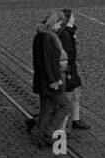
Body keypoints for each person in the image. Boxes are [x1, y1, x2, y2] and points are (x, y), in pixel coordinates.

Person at [29, 11, 71, 147]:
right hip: (51, 81)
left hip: (42, 80)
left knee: (47, 108)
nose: (59, 27)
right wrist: (54, 81)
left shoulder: (39, 36)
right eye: (59, 24)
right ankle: (48, 131)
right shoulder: (48, 38)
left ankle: (40, 135)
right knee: (65, 105)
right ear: (53, 22)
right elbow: (49, 62)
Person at [57, 8, 89, 130]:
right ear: (68, 19)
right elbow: (66, 54)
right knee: (68, 98)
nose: (75, 18)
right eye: (73, 17)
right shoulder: (66, 34)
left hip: (73, 68)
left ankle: (76, 119)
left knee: (77, 92)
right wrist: (69, 69)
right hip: (69, 70)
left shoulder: (69, 32)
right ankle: (62, 129)